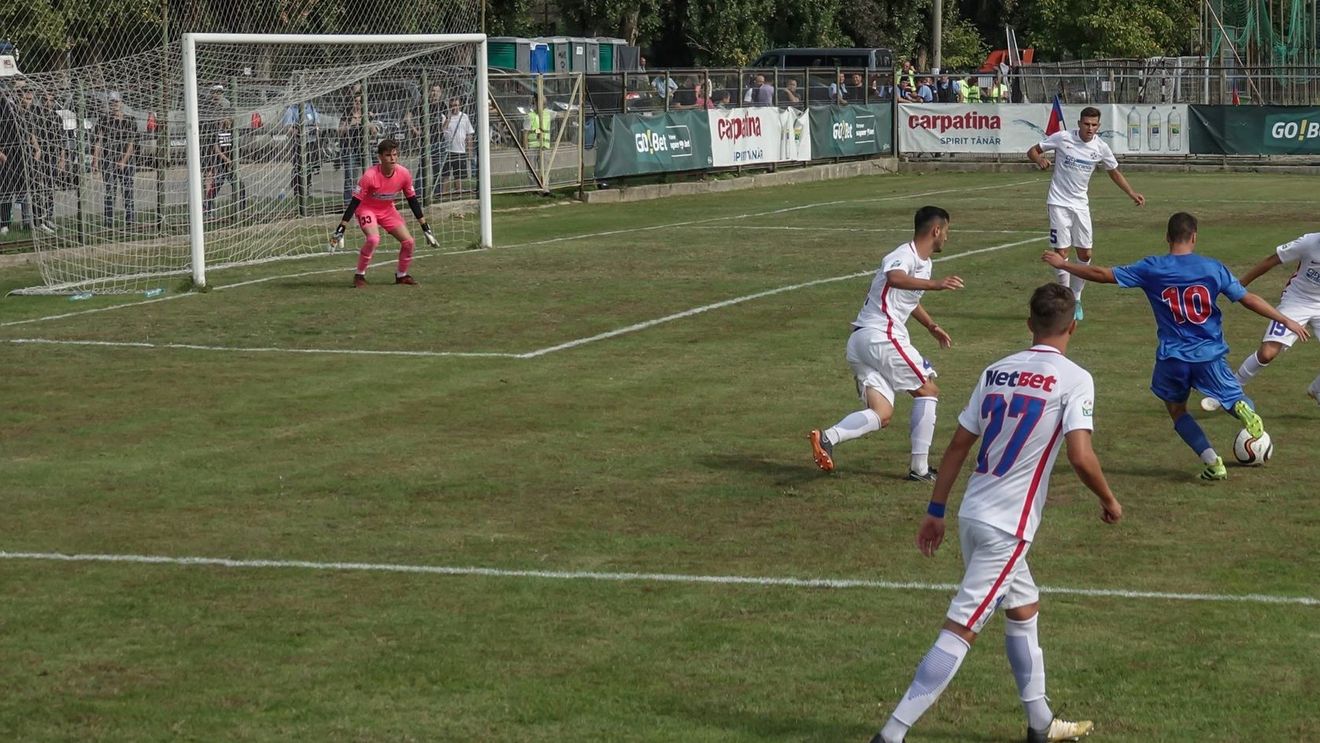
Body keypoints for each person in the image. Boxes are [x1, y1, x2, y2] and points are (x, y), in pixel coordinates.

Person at [870, 282, 1121, 743]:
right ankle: (891, 734)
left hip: (973, 513)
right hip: (1008, 526)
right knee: (961, 628)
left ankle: (1040, 724)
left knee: (1024, 608)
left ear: (1029, 325)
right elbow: (1082, 457)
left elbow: (958, 446)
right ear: (1073, 328)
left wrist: (935, 509)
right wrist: (1108, 499)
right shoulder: (1075, 378)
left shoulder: (996, 371)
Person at [1044, 212, 1310, 479]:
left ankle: (1212, 462)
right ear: (1194, 236)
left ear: (1168, 238)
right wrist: (1284, 318)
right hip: (1209, 353)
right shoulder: (1212, 267)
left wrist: (1063, 264)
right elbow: (1247, 298)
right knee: (1234, 397)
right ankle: (1239, 407)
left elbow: (1101, 273)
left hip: (1173, 356)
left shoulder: (1153, 267)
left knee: (1177, 410)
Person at [809, 206, 964, 481]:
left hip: (861, 341)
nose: (947, 239)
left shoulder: (924, 264)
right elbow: (895, 278)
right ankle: (920, 469)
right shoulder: (902, 255)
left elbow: (908, 299)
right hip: (880, 334)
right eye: (947, 232)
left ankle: (827, 438)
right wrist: (937, 285)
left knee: (882, 413)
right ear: (936, 230)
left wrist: (932, 326)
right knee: (927, 389)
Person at [1027, 106, 1145, 320]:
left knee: (1085, 254)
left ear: (1098, 126)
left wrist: (1131, 192)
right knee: (1062, 254)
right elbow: (1033, 150)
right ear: (1079, 123)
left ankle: (1077, 297)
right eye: (1086, 124)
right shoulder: (1063, 138)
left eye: (1094, 125)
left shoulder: (1100, 147)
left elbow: (1114, 172)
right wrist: (1040, 160)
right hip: (1058, 203)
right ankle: (1066, 300)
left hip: (1081, 205)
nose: (1090, 128)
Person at [1200, 232, 1320, 410]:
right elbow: (1272, 260)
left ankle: (1316, 390)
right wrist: (1240, 285)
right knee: (1267, 353)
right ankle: (1228, 392)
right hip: (1297, 302)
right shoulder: (1310, 242)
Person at [330, 139, 438, 288]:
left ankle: (401, 276)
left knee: (409, 242)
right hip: (367, 209)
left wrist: (425, 227)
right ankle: (359, 275)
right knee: (373, 239)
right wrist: (341, 228)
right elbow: (354, 202)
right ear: (380, 157)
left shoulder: (404, 174)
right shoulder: (369, 176)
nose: (392, 158)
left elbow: (412, 200)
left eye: (395, 154)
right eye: (388, 155)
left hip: (388, 210)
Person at [92, 92, 137, 226]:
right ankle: (109, 221)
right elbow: (98, 141)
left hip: (126, 161)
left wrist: (123, 160)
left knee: (128, 190)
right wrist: (95, 161)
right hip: (108, 160)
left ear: (121, 103)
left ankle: (130, 220)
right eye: (112, 102)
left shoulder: (129, 120)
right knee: (110, 191)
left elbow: (131, 144)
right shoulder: (104, 120)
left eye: (117, 102)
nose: (114, 105)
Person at [281, 98, 321, 199]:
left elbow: (317, 123)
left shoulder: (311, 107)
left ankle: (306, 189)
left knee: (309, 166)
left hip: (311, 141)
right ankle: (298, 192)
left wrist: (316, 128)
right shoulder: (291, 110)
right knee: (298, 167)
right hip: (298, 143)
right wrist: (297, 132)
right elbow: (287, 127)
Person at [439, 97, 475, 196]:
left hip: (460, 150)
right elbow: (443, 130)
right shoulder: (445, 117)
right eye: (451, 106)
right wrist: (448, 118)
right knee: (445, 175)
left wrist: (469, 150)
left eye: (455, 105)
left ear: (460, 106)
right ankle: (444, 194)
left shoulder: (464, 117)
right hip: (448, 150)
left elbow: (469, 134)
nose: (453, 108)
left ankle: (458, 193)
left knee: (458, 175)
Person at [522, 94, 554, 184]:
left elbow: (561, 114)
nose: (544, 102)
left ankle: (545, 186)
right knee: (531, 168)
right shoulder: (530, 116)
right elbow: (525, 133)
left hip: (544, 146)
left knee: (544, 168)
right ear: (536, 102)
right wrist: (526, 149)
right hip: (532, 146)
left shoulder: (548, 113)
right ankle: (533, 187)